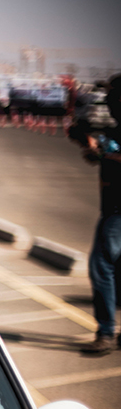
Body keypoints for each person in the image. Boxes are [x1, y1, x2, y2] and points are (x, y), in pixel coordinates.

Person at [72, 74, 121, 354]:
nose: (110, 102)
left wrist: (102, 154)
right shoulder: (111, 129)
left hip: (117, 211)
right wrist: (88, 142)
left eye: (114, 96)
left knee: (101, 267)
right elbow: (78, 133)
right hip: (112, 206)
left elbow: (107, 155)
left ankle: (106, 332)